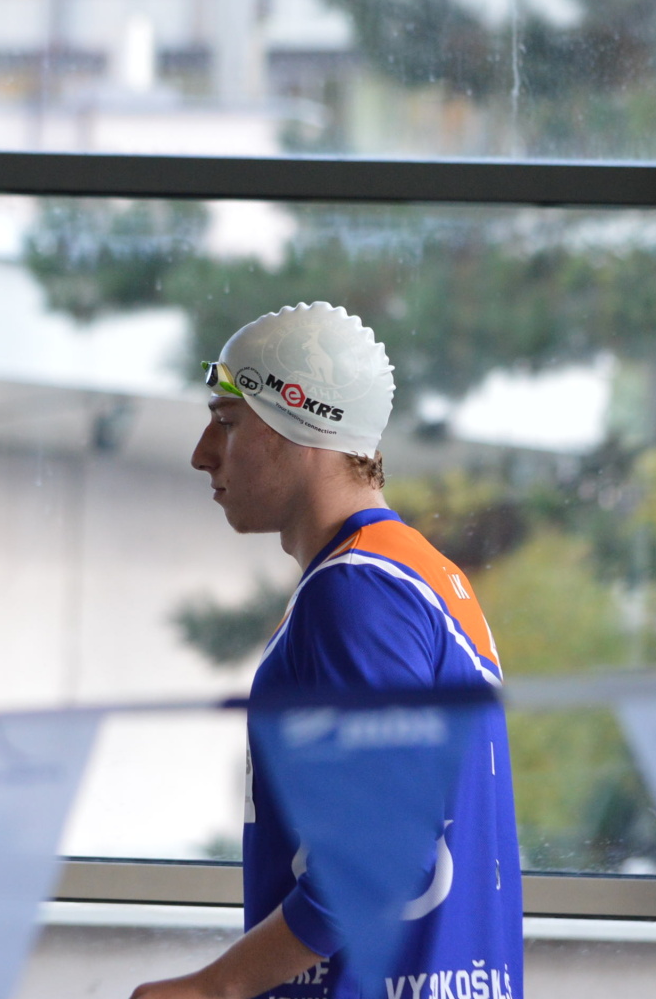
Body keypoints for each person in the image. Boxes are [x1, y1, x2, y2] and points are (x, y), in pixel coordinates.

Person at [132, 302, 522, 999]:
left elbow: (384, 851)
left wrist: (215, 988)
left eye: (227, 422)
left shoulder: (358, 590)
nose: (202, 453)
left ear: (297, 425)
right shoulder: (428, 578)